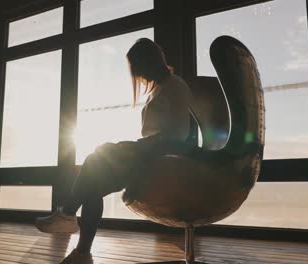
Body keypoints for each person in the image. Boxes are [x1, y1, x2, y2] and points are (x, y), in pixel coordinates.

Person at [35, 38, 193, 263]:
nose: (140, 76)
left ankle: (68, 216)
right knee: (93, 183)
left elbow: (178, 136)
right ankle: (80, 249)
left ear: (151, 61)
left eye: (139, 68)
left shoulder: (175, 85)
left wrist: (137, 146)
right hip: (150, 154)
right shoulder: (159, 89)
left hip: (162, 159)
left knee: (98, 157)